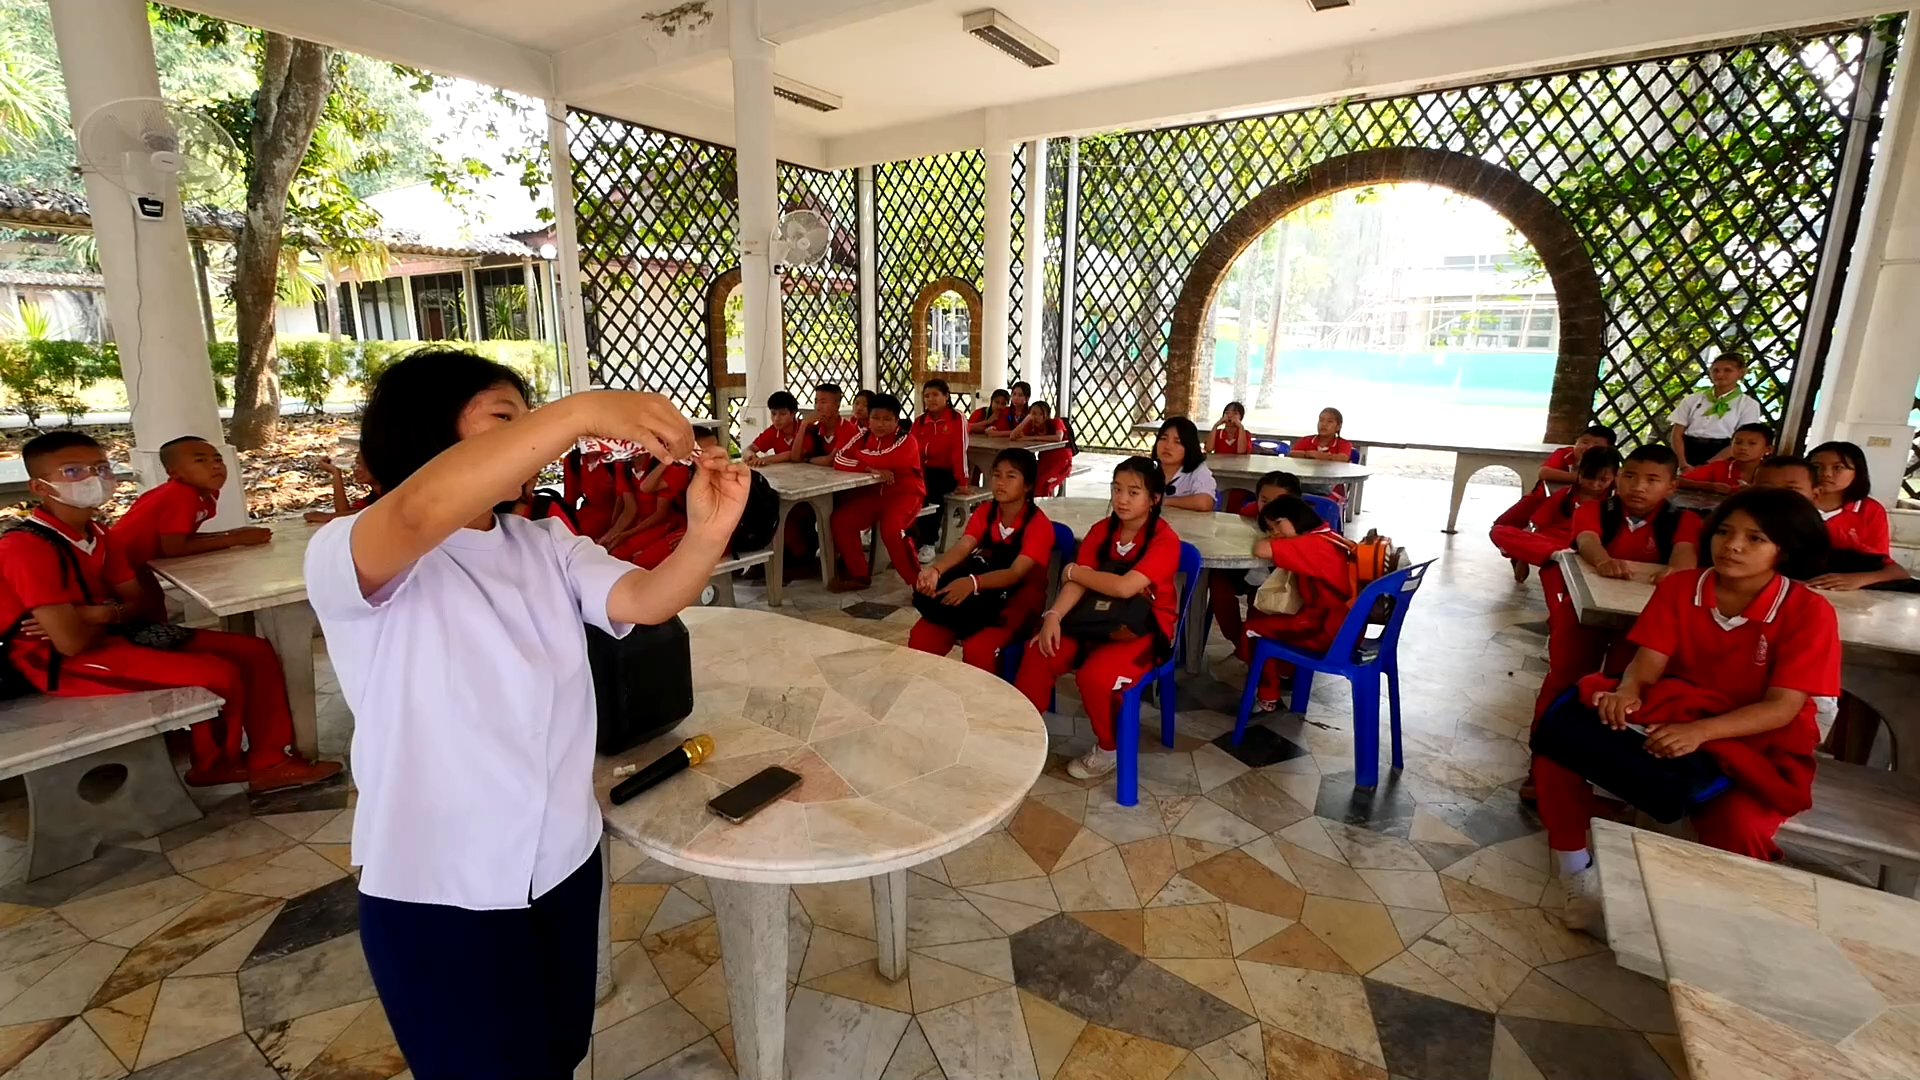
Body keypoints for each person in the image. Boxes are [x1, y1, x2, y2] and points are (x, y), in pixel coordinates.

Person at [305, 348, 746, 1080]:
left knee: (556, 1054)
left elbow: (645, 600)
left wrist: (707, 533)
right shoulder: (350, 551)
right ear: (425, 429)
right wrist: (582, 410)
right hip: (443, 885)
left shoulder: (544, 543)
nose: (537, 438)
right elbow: (416, 511)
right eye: (507, 418)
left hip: (562, 860)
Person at [1541, 489, 1839, 929]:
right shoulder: (1682, 587)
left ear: (1787, 549)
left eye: (1755, 538)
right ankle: (1576, 872)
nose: (1732, 545)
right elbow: (1647, 666)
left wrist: (1701, 733)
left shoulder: (1808, 611)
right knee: (1560, 744)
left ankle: (1724, 920)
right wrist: (1627, 692)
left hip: (1754, 739)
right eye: (1724, 532)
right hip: (1672, 712)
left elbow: (1781, 708)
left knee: (1738, 823)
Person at [1, 431, 339, 792]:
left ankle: (269, 757)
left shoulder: (98, 534)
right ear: (39, 487)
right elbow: (70, 643)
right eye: (72, 471)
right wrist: (103, 614)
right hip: (53, 661)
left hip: (111, 634)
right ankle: (214, 764)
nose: (93, 478)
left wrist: (91, 614)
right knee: (218, 672)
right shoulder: (25, 548)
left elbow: (138, 603)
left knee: (252, 651)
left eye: (101, 468)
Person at [1015, 456, 1183, 781]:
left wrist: (1075, 571)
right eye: (1117, 489)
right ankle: (1021, 735)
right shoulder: (1102, 531)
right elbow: (1079, 585)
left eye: (1133, 492)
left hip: (1142, 630)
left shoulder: (1164, 540)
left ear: (1154, 499)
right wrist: (1054, 614)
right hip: (1094, 619)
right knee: (1039, 650)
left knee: (1095, 677)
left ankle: (1108, 748)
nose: (1122, 499)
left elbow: (1123, 587)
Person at [1534, 446, 1701, 723]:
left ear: (1672, 486)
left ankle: (1595, 737)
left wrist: (1676, 572)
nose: (1638, 487)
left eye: (1652, 480)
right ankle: (1545, 733)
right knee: (1565, 677)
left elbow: (1685, 555)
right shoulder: (1594, 510)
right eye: (1630, 476)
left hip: (1643, 619)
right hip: (1585, 610)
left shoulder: (1683, 520)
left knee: (1620, 682)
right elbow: (1587, 540)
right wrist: (1602, 561)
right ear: (1619, 477)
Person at [908, 449, 1053, 672]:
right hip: (980, 595)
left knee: (979, 651)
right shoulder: (986, 511)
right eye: (996, 475)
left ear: (1028, 486)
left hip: (1017, 601)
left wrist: (973, 583)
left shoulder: (1039, 526)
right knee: (922, 639)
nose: (1000, 482)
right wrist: (936, 570)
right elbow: (964, 546)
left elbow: (1015, 573)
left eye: (1011, 476)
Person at [112, 435, 272, 609]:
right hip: (114, 566)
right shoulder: (180, 494)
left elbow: (182, 538)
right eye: (200, 460)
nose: (215, 465)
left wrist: (232, 533)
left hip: (136, 564)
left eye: (218, 459)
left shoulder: (207, 493)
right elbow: (174, 548)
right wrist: (235, 539)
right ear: (174, 473)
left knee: (153, 604)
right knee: (142, 611)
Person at [1241, 495, 1356, 711]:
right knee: (1261, 615)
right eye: (1270, 529)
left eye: (1278, 524)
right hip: (1347, 626)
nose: (1275, 532)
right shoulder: (1330, 536)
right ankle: (1284, 672)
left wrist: (1274, 539)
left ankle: (1268, 696)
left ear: (1297, 516)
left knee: (1251, 630)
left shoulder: (1311, 545)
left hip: (1326, 630)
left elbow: (1261, 549)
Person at [829, 393, 925, 592]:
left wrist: (859, 455)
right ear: (869, 418)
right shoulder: (863, 435)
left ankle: (918, 583)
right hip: (875, 495)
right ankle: (859, 575)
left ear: (897, 420)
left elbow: (888, 458)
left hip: (906, 493)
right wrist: (868, 468)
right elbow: (839, 459)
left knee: (891, 530)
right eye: (876, 418)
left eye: (887, 419)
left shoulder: (906, 439)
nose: (880, 424)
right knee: (841, 520)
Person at [1491, 447, 1619, 582]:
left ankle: (1556, 557)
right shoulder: (1564, 494)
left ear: (1615, 478)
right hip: (1550, 544)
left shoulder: (1614, 502)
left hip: (1583, 547)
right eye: (1589, 477)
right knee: (1498, 531)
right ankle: (1557, 556)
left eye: (1603, 480)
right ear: (1579, 472)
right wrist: (1523, 556)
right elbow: (1537, 524)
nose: (1594, 484)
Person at [1207, 471, 1302, 652]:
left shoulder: (1298, 526)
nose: (1270, 508)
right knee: (1218, 579)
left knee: (1259, 605)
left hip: (1279, 580)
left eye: (1279, 502)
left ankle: (1252, 650)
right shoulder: (1249, 514)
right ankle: (1239, 642)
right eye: (1264, 501)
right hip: (1246, 569)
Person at [1805, 440, 1910, 590]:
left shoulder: (1869, 510)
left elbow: (1883, 564)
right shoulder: (1794, 504)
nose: (1826, 474)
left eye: (1838, 467)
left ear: (1857, 473)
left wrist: (1858, 579)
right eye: (1816, 467)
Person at [1669, 353, 1763, 469]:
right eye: (1715, 370)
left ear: (1741, 373)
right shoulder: (1692, 399)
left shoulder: (1748, 405)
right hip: (1687, 451)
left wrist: (1706, 466)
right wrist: (1682, 463)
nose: (1720, 374)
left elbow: (1743, 439)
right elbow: (1677, 434)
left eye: (1727, 370)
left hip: (1723, 454)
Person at [914, 379, 970, 553]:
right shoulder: (920, 421)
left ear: (946, 396)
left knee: (931, 490)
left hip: (946, 474)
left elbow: (959, 452)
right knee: (909, 488)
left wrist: (962, 482)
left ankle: (929, 542)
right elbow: (912, 450)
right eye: (927, 396)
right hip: (923, 472)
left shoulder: (956, 419)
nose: (930, 399)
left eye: (935, 395)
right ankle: (911, 537)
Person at [562, 442, 635, 549]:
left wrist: (612, 531)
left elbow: (627, 504)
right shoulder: (573, 459)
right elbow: (570, 498)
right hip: (587, 514)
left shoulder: (617, 458)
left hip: (615, 515)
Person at [1679, 423, 1771, 493]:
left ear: (1768, 449)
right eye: (1738, 442)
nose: (1743, 448)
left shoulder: (1772, 471)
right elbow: (1678, 480)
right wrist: (1708, 486)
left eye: (1752, 443)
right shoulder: (1718, 467)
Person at [1288, 407, 1356, 501]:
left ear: (1338, 426)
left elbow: (1343, 458)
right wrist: (1309, 454)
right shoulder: (1306, 440)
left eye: (1330, 421)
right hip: (1304, 482)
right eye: (1321, 420)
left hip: (1332, 487)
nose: (1324, 424)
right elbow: (1292, 454)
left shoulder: (1343, 444)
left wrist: (1321, 456)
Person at [1008, 400, 1074, 496]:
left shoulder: (1056, 422)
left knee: (1043, 484)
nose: (1037, 417)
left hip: (1061, 459)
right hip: (1044, 459)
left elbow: (1058, 437)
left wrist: (1033, 438)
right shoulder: (1032, 426)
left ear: (1047, 415)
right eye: (1034, 414)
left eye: (1041, 414)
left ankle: (1043, 504)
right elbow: (1012, 436)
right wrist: (1026, 420)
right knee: (1029, 481)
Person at [1154, 417, 1217, 512]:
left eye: (1177, 442)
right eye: (1163, 439)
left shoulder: (1198, 471)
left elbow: (1204, 503)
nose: (1167, 446)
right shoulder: (1147, 469)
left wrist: (1165, 501)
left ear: (1189, 447)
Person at [1532, 425, 1617, 493]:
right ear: (1576, 441)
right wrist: (1585, 478)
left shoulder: (1609, 463)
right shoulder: (1564, 453)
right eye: (1584, 442)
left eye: (1596, 445)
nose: (1588, 447)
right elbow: (1544, 473)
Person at [305, 455, 381, 524]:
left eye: (359, 464)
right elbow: (343, 512)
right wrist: (336, 473)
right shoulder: (373, 496)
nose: (354, 468)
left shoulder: (387, 496)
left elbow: (373, 512)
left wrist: (329, 516)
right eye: (355, 463)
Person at [800, 383, 857, 465]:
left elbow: (831, 460)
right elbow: (796, 457)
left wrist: (808, 460)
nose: (818, 407)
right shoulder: (816, 428)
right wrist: (803, 425)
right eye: (816, 402)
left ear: (837, 405)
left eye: (823, 402)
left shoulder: (848, 428)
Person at [744, 390, 804, 466]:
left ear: (793, 414)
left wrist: (764, 460)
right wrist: (750, 455)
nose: (776, 419)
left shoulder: (805, 428)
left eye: (782, 414)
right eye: (773, 413)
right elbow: (749, 448)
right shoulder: (773, 431)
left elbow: (792, 454)